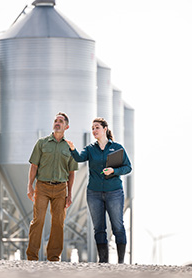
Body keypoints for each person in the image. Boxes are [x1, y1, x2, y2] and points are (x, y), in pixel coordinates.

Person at [66, 117, 132, 263]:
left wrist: (113, 170)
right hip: (94, 193)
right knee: (99, 227)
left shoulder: (117, 148)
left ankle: (121, 261)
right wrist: (72, 149)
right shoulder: (90, 149)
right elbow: (79, 158)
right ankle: (103, 261)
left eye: (97, 127)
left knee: (118, 226)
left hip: (114, 192)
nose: (94, 130)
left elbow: (128, 167)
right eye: (93, 128)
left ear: (105, 129)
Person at [26, 112, 78, 261]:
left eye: (60, 121)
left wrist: (70, 194)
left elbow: (71, 173)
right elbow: (34, 166)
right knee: (38, 220)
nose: (57, 123)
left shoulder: (69, 148)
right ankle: (32, 256)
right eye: (55, 120)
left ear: (66, 126)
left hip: (61, 189)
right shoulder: (42, 143)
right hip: (42, 187)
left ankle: (54, 257)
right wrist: (30, 186)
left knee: (58, 223)